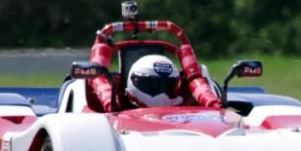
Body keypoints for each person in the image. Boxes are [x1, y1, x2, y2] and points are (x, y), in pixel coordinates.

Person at [86, 35, 221, 111]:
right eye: (151, 84)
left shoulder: (188, 97)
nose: (160, 91)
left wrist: (214, 105)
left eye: (166, 85)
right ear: (135, 81)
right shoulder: (112, 103)